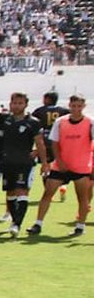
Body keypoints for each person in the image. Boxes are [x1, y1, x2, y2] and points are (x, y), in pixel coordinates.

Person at [29, 94, 92, 236]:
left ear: (84, 106)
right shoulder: (61, 121)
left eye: (79, 106)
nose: (76, 109)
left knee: (82, 197)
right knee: (47, 194)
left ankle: (80, 226)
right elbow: (55, 143)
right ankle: (38, 224)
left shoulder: (90, 122)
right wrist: (59, 160)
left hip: (81, 166)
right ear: (69, 106)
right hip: (60, 165)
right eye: (74, 106)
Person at [0, 93, 47, 237]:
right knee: (10, 193)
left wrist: (44, 163)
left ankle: (17, 224)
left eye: (20, 103)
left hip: (24, 163)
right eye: (14, 103)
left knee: (22, 191)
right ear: (10, 104)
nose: (16, 106)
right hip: (7, 162)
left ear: (26, 105)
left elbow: (40, 143)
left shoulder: (33, 122)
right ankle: (14, 221)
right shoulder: (4, 119)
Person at [33, 91, 67, 202]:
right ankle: (62, 186)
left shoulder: (39, 111)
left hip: (45, 142)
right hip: (59, 142)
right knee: (59, 166)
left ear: (47, 99)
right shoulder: (64, 111)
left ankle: (48, 193)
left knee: (46, 167)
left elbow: (33, 124)